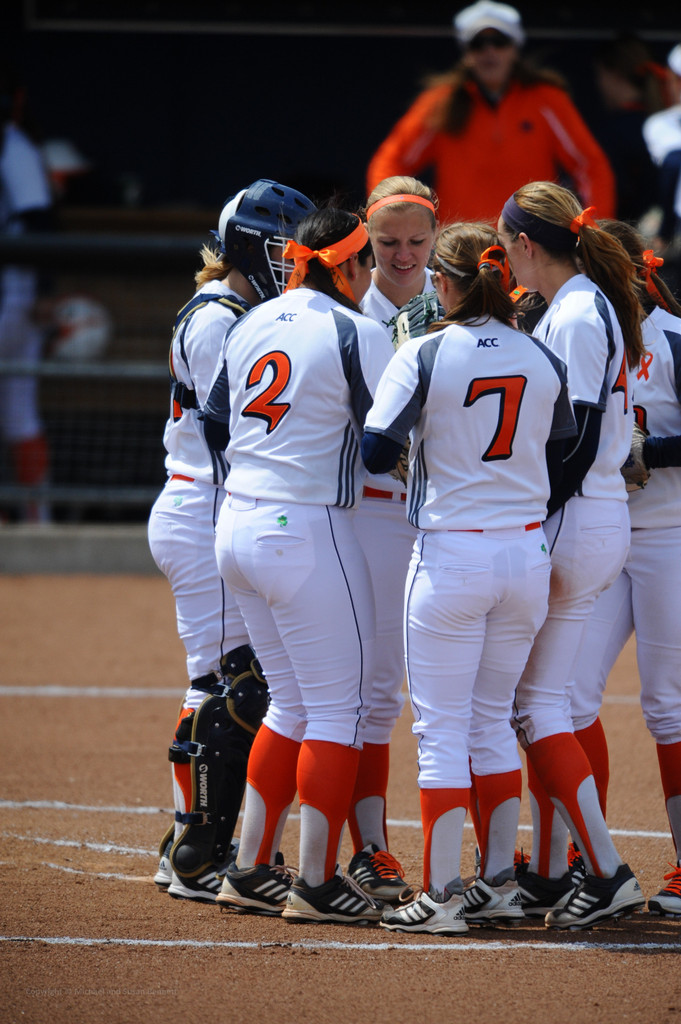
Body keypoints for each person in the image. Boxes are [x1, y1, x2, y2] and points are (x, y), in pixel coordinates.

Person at [360, 221, 575, 934]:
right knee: (490, 721)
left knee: (441, 731)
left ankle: (443, 893)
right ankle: (500, 884)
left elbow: (374, 451)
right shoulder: (540, 354)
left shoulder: (422, 351)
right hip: (524, 555)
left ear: (442, 282)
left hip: (451, 554)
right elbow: (562, 450)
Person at [203, 207, 396, 925]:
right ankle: (315, 881)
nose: (372, 273)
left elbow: (214, 419)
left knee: (290, 701)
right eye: (368, 260)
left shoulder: (253, 319)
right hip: (305, 527)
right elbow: (384, 442)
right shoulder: (357, 329)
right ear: (349, 264)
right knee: (340, 709)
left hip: (237, 520)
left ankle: (251, 867)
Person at [147, 178, 316, 902]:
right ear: (246, 245)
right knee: (228, 684)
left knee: (239, 680)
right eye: (280, 246)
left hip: (216, 504)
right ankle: (196, 853)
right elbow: (233, 430)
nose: (291, 259)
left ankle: (193, 843)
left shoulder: (246, 311)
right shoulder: (220, 315)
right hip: (204, 503)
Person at [497, 181, 647, 929]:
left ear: (528, 244)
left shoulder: (580, 310)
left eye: (507, 248)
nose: (505, 263)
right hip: (588, 515)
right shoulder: (576, 304)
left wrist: (529, 511)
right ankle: (561, 867)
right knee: (544, 703)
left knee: (533, 706)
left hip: (577, 514)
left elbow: (578, 438)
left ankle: (604, 868)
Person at [567, 219, 681, 919]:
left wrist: (651, 452)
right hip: (603, 532)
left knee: (669, 704)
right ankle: (589, 859)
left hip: (672, 534)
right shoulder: (578, 331)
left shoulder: (671, 337)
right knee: (566, 696)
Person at [342, 176, 439, 903]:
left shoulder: (462, 296)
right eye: (386, 242)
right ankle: (371, 849)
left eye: (416, 241)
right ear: (365, 239)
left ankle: (504, 852)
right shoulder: (350, 311)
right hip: (375, 515)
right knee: (375, 689)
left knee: (472, 694)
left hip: (453, 521)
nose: (403, 256)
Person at [366, 1, 616, 226]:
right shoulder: (440, 102)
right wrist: (389, 219)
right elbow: (391, 160)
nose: (489, 52)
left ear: (515, 49)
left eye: (499, 42)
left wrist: (595, 231)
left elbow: (590, 166)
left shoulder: (547, 101)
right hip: (459, 249)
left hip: (531, 245)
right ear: (466, 54)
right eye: (478, 44)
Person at [0, 64, 54, 522]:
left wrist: (44, 289)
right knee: (19, 414)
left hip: (12, 293)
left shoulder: (13, 145)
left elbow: (39, 220)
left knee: (19, 413)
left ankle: (36, 519)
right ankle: (38, 519)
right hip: (15, 293)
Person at [589, 33, 667, 224]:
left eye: (600, 75)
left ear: (613, 74)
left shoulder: (612, 132)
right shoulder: (667, 124)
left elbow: (613, 191)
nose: (599, 84)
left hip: (629, 232)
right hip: (665, 231)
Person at [643, 44, 681, 297]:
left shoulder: (659, 124)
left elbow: (673, 164)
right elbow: (672, 164)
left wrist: (664, 232)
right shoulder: (662, 124)